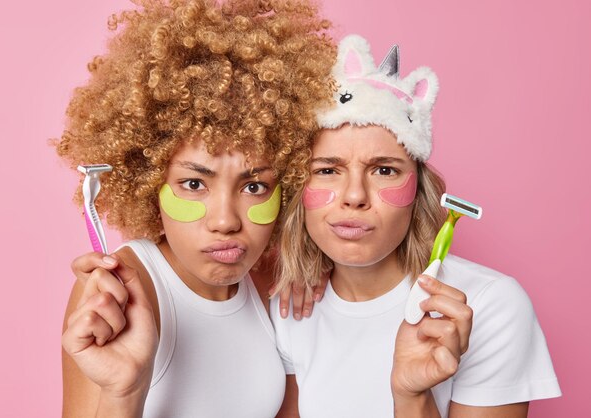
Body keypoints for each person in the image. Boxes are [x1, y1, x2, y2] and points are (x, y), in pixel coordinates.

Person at [55, 1, 335, 417]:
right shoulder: (125, 292)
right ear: (150, 182)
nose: (226, 221)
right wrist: (123, 393)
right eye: (193, 184)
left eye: (254, 186)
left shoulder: (267, 280)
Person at [271, 34, 561, 418]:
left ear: (418, 189)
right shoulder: (289, 305)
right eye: (327, 170)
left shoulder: (489, 305)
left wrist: (412, 397)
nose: (354, 196)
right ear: (297, 189)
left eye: (384, 170)